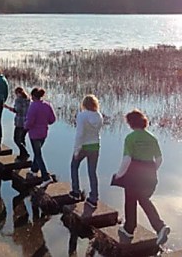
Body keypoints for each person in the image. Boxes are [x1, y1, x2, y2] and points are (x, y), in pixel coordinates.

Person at [113, 109, 170, 245]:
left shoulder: (130, 138)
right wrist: (152, 170)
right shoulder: (152, 138)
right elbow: (160, 159)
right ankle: (158, 227)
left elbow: (127, 159)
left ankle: (131, 229)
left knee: (130, 201)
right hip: (150, 176)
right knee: (143, 199)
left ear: (131, 123)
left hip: (134, 176)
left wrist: (118, 175)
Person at [69, 94, 103, 207]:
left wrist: (76, 150)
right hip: (95, 146)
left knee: (74, 166)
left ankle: (75, 192)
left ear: (84, 104)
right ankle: (94, 198)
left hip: (84, 146)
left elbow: (80, 134)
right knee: (92, 172)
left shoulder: (82, 115)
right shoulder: (98, 115)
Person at [25, 87, 56, 188]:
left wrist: (25, 126)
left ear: (33, 96)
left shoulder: (33, 106)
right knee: (37, 152)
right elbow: (52, 119)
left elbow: (29, 122)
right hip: (43, 133)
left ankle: (46, 177)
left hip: (34, 134)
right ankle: (34, 170)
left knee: (38, 154)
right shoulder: (47, 105)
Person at [4, 86, 31, 160]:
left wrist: (7, 107)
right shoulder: (28, 99)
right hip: (27, 122)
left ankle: (25, 153)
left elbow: (17, 110)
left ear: (18, 93)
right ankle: (22, 155)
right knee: (22, 139)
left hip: (20, 122)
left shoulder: (18, 100)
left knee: (16, 139)